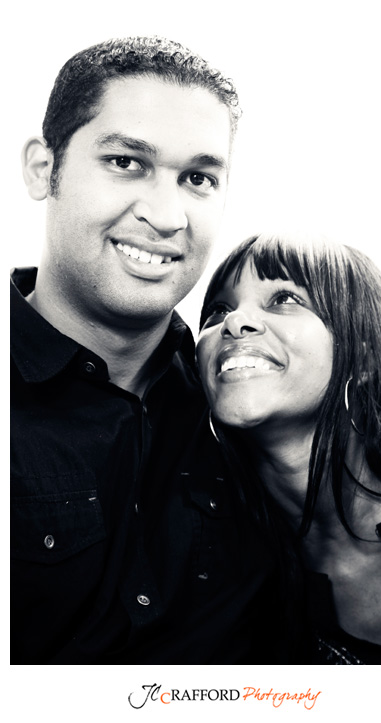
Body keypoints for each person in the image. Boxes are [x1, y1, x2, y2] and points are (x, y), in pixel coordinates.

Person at [10, 37, 277, 664]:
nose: (166, 216)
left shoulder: (247, 399)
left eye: (198, 178)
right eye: (127, 162)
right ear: (43, 169)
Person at [196, 232, 381, 665]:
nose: (234, 322)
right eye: (219, 309)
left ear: (364, 355)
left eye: (284, 299)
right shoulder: (231, 598)